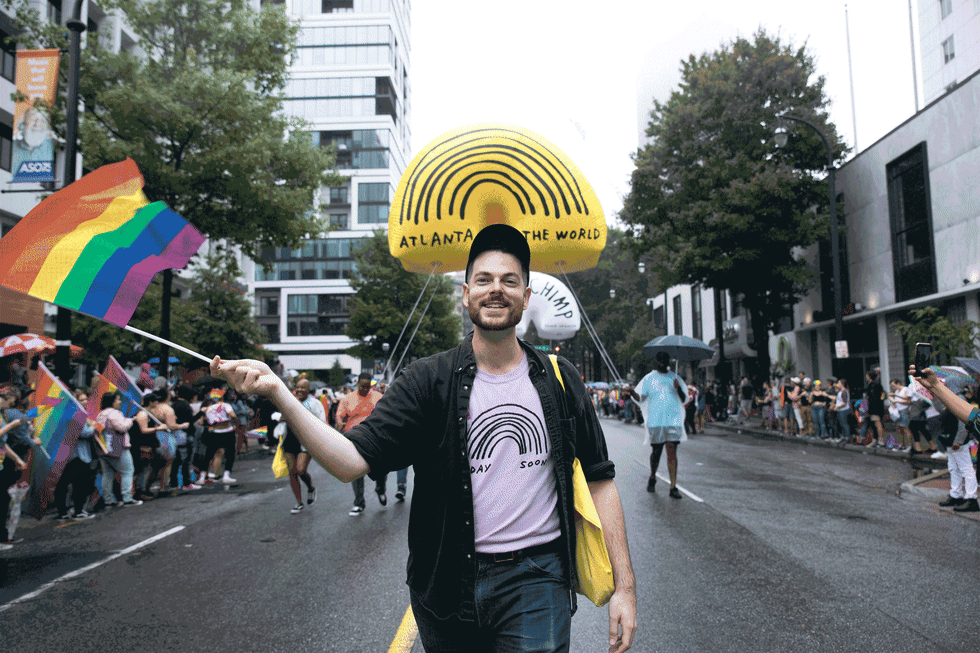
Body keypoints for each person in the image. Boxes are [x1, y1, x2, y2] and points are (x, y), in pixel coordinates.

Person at [212, 224, 636, 652]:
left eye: (510, 281)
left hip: (537, 581)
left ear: (526, 298)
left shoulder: (562, 380)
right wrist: (277, 392)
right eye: (484, 280)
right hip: (445, 585)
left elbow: (600, 481)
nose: (496, 290)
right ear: (466, 293)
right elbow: (350, 462)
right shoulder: (426, 380)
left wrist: (625, 588)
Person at [635, 351, 687, 499]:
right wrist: (631, 393)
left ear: (668, 361)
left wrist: (678, 388)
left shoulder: (675, 378)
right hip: (656, 421)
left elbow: (683, 398)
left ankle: (673, 486)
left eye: (665, 359)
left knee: (672, 451)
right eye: (660, 360)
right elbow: (642, 397)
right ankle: (652, 476)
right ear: (657, 361)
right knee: (656, 453)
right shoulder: (649, 378)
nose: (662, 362)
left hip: (673, 421)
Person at [336, 372, 388, 515]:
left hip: (375, 437)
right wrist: (340, 423)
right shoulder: (348, 399)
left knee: (381, 467)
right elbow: (340, 416)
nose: (365, 389)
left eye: (367, 386)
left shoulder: (378, 397)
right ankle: (359, 502)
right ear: (357, 384)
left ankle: (380, 488)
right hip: (355, 439)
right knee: (356, 470)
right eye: (362, 386)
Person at [282, 378, 324, 514]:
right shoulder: (289, 401)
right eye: (298, 387)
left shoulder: (315, 404)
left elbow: (321, 422)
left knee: (300, 470)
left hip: (306, 441)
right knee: (292, 472)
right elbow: (281, 416)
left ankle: (310, 488)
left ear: (308, 390)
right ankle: (298, 502)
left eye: (303, 388)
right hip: (289, 439)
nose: (299, 390)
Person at [96, 392, 142, 507]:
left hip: (104, 448)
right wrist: (130, 420)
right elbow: (122, 427)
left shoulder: (100, 414)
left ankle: (108, 500)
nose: (119, 402)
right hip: (118, 448)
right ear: (112, 401)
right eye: (117, 400)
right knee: (127, 472)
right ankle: (127, 498)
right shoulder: (115, 413)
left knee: (107, 474)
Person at [888, 378, 914, 452]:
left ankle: (910, 445)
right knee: (899, 429)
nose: (893, 387)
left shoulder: (905, 389)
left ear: (898, 383)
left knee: (906, 428)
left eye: (894, 385)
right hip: (898, 411)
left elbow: (908, 400)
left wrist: (896, 396)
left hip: (905, 410)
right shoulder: (896, 391)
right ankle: (902, 445)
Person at [864, 370, 886, 447]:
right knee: (874, 424)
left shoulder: (874, 385)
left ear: (870, 376)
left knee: (877, 423)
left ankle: (881, 441)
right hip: (875, 407)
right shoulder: (874, 384)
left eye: (867, 375)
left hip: (875, 407)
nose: (866, 377)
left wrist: (877, 403)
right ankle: (875, 440)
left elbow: (875, 397)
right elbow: (882, 395)